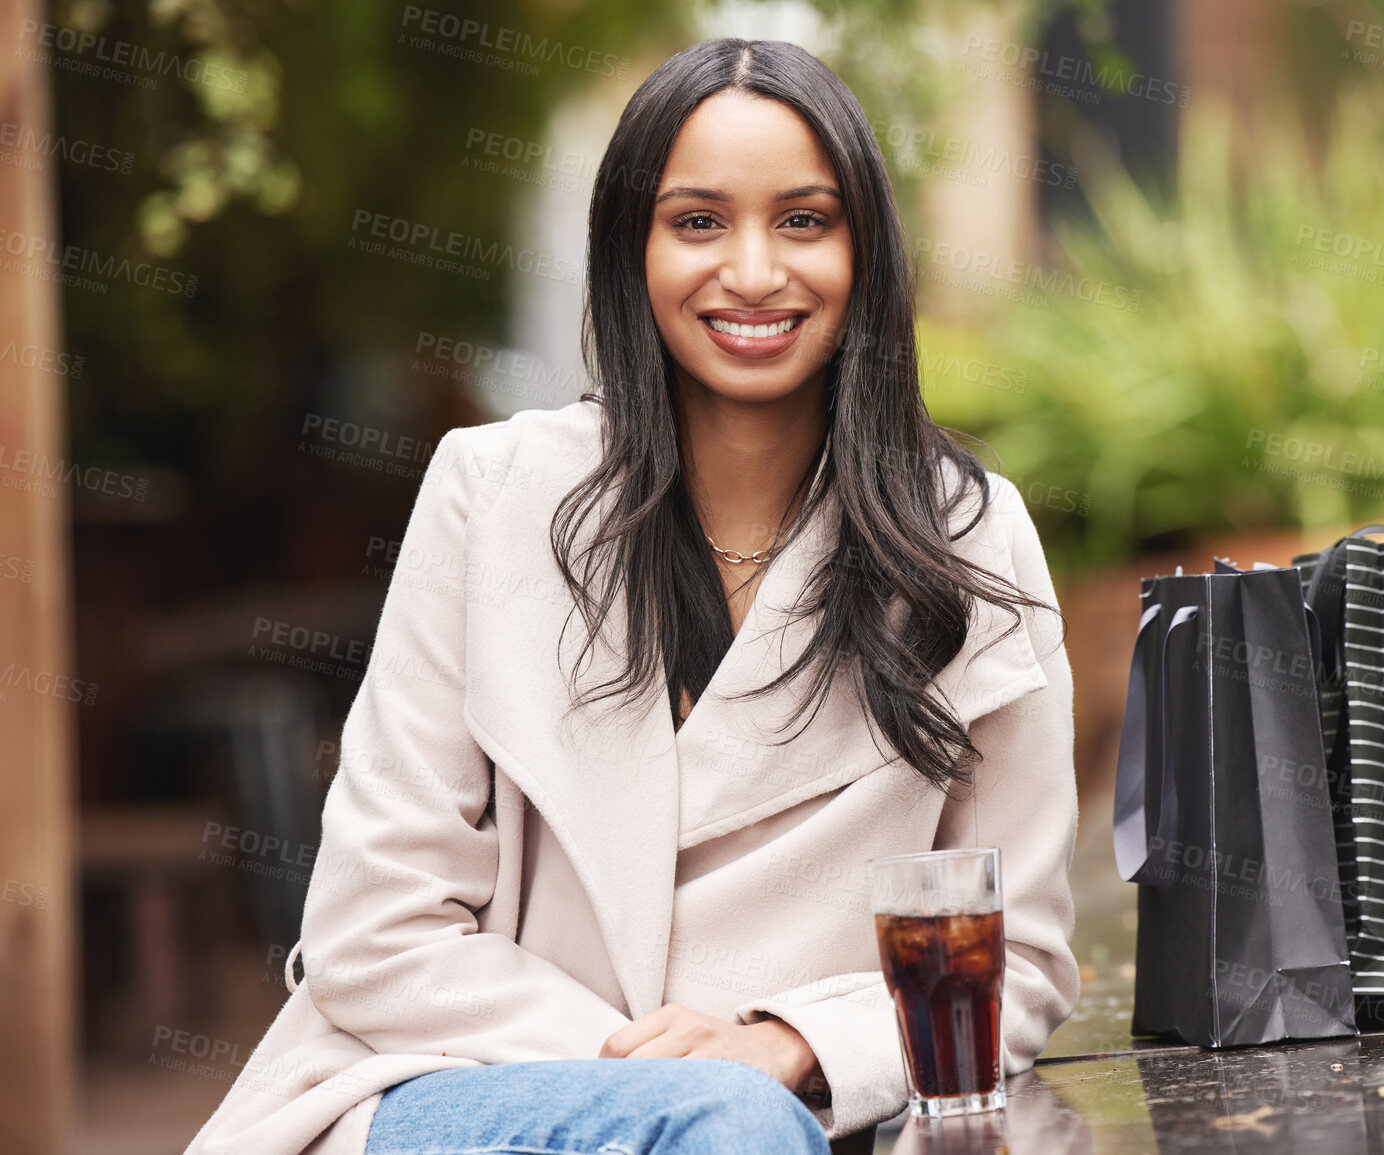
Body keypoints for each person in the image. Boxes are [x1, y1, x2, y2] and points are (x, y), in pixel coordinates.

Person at [184, 36, 1080, 1155]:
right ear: (630, 251)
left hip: (784, 1114)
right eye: (697, 222)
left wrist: (790, 1045)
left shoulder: (966, 541)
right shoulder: (492, 494)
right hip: (455, 1088)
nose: (753, 273)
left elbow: (1017, 964)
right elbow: (373, 931)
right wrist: (668, 1077)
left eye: (804, 220)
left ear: (869, 254)